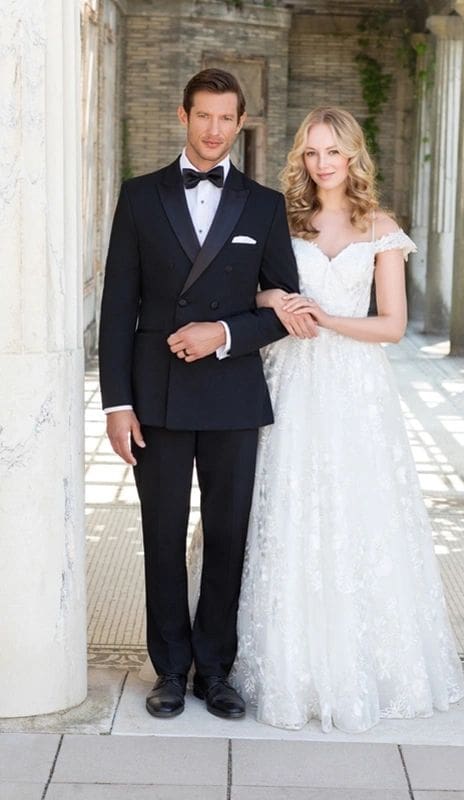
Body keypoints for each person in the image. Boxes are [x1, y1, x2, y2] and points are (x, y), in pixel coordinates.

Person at [229, 106, 464, 733]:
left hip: (355, 387)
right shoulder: (283, 221)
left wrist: (327, 319)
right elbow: (248, 289)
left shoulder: (380, 228)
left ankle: (366, 666)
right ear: (301, 159)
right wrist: (277, 299)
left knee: (359, 513)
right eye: (311, 152)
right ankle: (287, 666)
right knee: (287, 510)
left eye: (333, 151)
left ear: (353, 156)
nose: (322, 163)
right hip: (291, 379)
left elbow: (390, 325)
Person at [98, 68, 315, 720]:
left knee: (228, 535)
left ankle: (215, 671)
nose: (215, 130)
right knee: (161, 534)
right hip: (156, 393)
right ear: (182, 115)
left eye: (227, 119)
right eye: (204, 117)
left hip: (231, 393)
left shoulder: (262, 204)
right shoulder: (140, 197)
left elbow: (284, 309)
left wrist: (220, 330)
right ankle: (169, 669)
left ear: (240, 122)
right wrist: (116, 403)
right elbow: (117, 308)